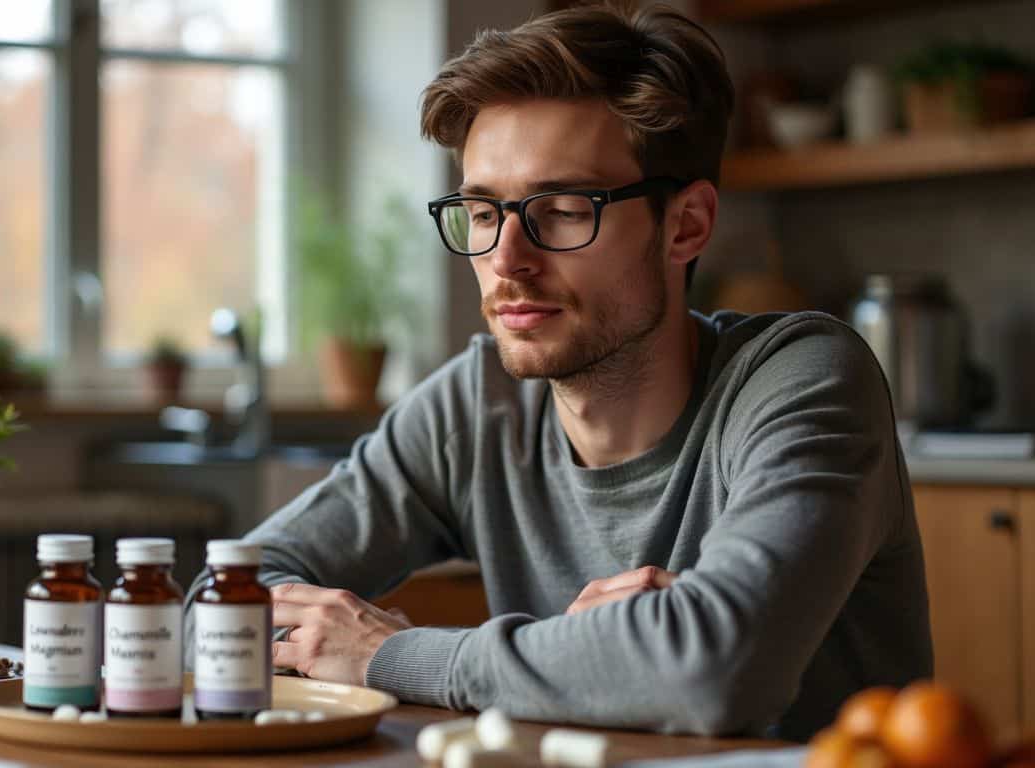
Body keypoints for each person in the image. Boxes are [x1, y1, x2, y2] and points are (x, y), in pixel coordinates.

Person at [183, 0, 931, 740]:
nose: (507, 260)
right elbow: (215, 605)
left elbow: (714, 670)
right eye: (483, 214)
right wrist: (588, 657)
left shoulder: (804, 379)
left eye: (565, 209)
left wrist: (388, 655)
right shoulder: (477, 409)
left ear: (687, 224)